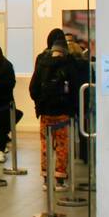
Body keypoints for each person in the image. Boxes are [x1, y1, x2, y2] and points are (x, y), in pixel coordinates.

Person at [29, 28, 77, 188]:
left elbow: (33, 88)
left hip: (45, 112)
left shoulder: (42, 61)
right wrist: (73, 108)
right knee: (62, 145)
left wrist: (39, 104)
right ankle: (60, 179)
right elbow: (75, 87)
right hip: (63, 112)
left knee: (45, 145)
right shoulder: (69, 62)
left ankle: (45, 178)